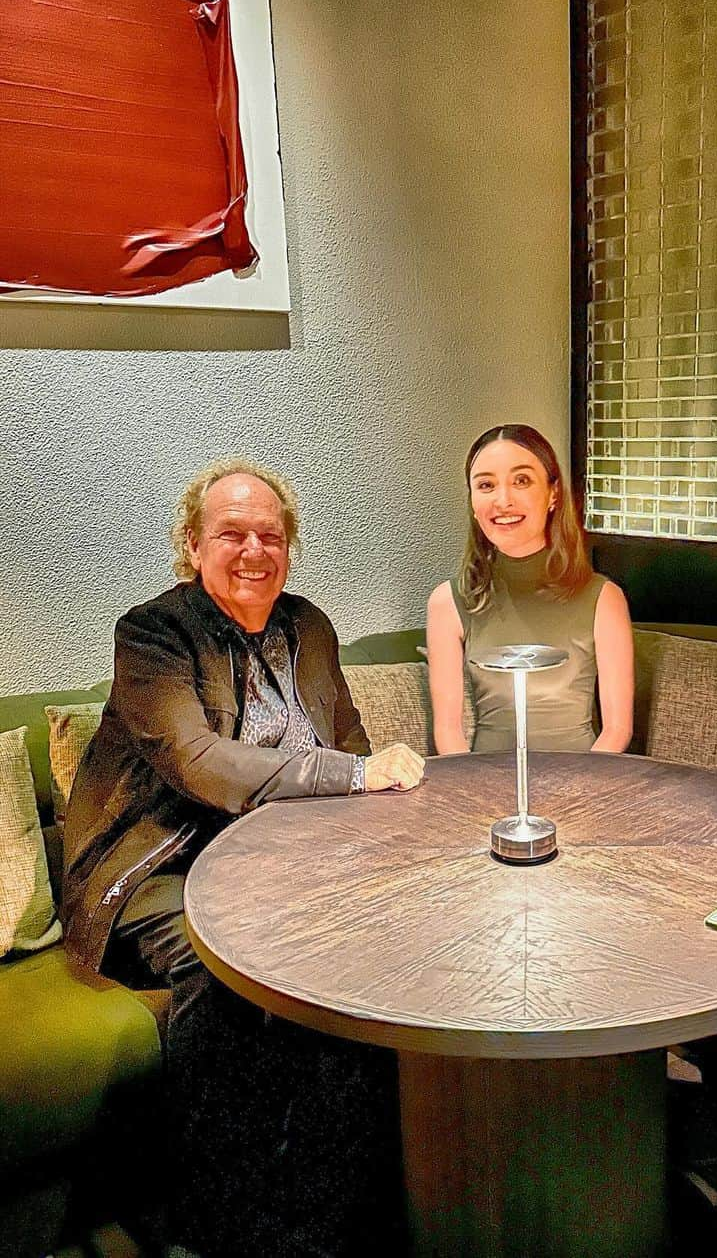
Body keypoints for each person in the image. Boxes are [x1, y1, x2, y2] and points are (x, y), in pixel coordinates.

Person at [62, 458, 425, 1257]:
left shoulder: (310, 626)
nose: (253, 548)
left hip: (280, 870)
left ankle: (350, 1201)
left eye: (271, 534)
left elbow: (350, 741)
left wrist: (386, 832)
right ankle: (216, 1220)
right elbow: (202, 763)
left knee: (377, 954)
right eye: (231, 533)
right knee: (218, 971)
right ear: (192, 546)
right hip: (159, 866)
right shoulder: (153, 635)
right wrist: (355, 775)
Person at [427, 423, 634, 754]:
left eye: (521, 481)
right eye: (486, 485)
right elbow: (449, 734)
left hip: (583, 785)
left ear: (553, 493)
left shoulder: (603, 598)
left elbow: (617, 730)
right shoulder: (447, 603)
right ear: (472, 501)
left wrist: (579, 793)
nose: (503, 500)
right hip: (485, 787)